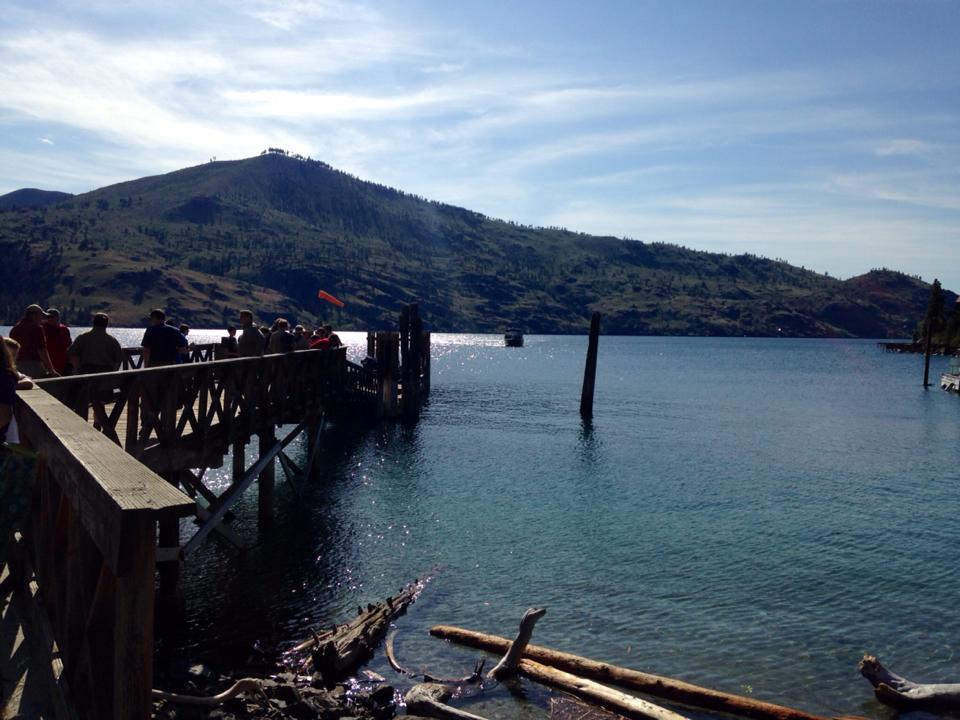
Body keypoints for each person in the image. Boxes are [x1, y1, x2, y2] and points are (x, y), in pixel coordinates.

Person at [9, 304, 58, 378]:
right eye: (41, 315)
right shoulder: (37, 328)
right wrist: (51, 370)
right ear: (33, 315)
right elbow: (42, 350)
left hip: (17, 366)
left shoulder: (15, 329)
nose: (42, 318)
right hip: (34, 366)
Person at [43, 308, 72, 375]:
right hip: (47, 362)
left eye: (52, 317)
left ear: (58, 318)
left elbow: (69, 346)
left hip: (62, 362)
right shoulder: (42, 329)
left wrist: (70, 361)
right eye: (48, 317)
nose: (49, 319)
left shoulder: (64, 329)